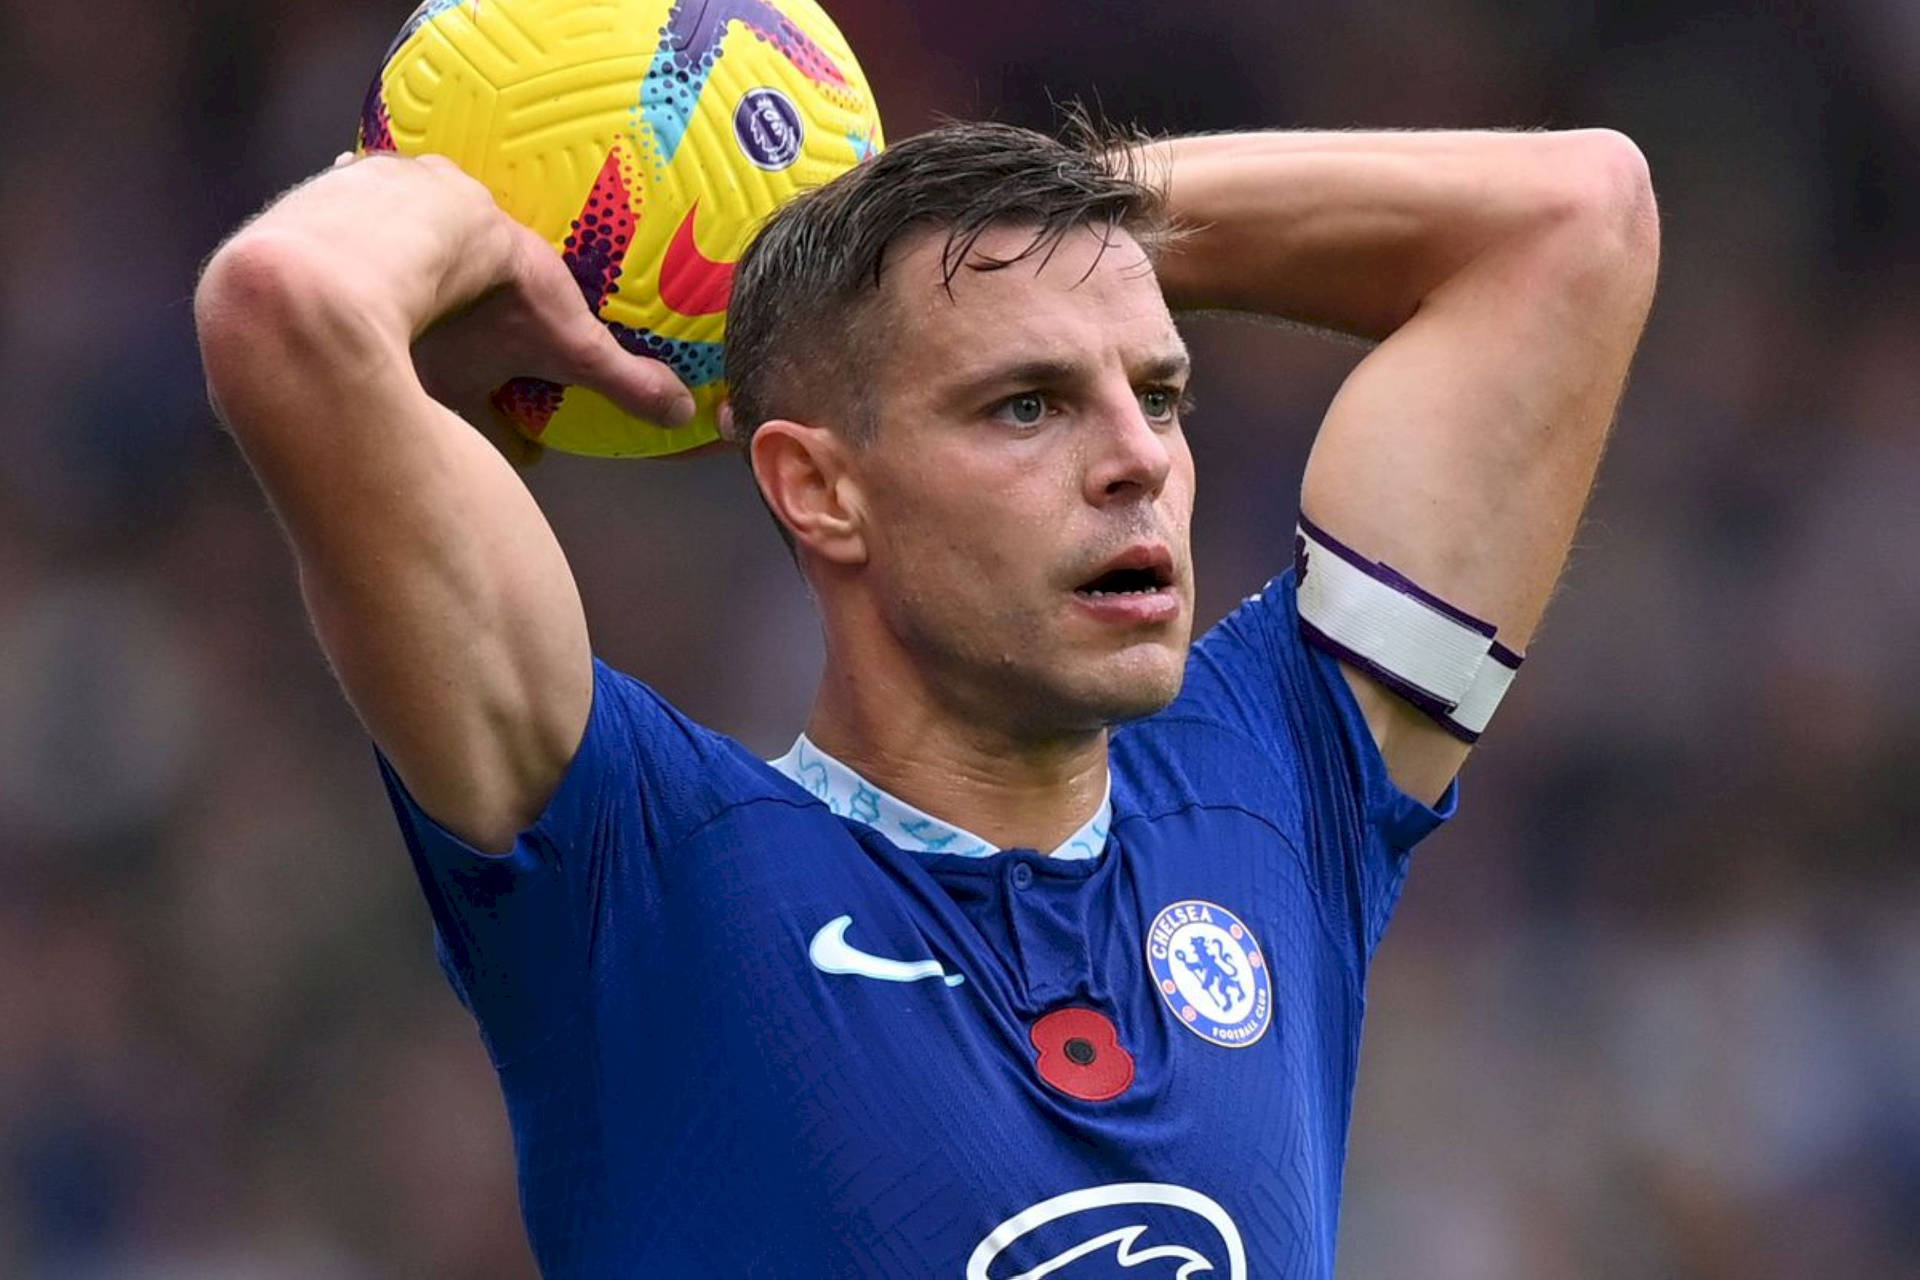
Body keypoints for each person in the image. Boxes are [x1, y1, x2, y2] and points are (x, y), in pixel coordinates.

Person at [194, 115, 1658, 1276]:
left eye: (1156, 392)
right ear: (818, 491)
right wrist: (466, 206)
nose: (1135, 458)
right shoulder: (644, 875)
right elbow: (290, 305)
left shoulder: (1280, 787)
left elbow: (1575, 220)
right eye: (1024, 404)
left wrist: (1038, 227)